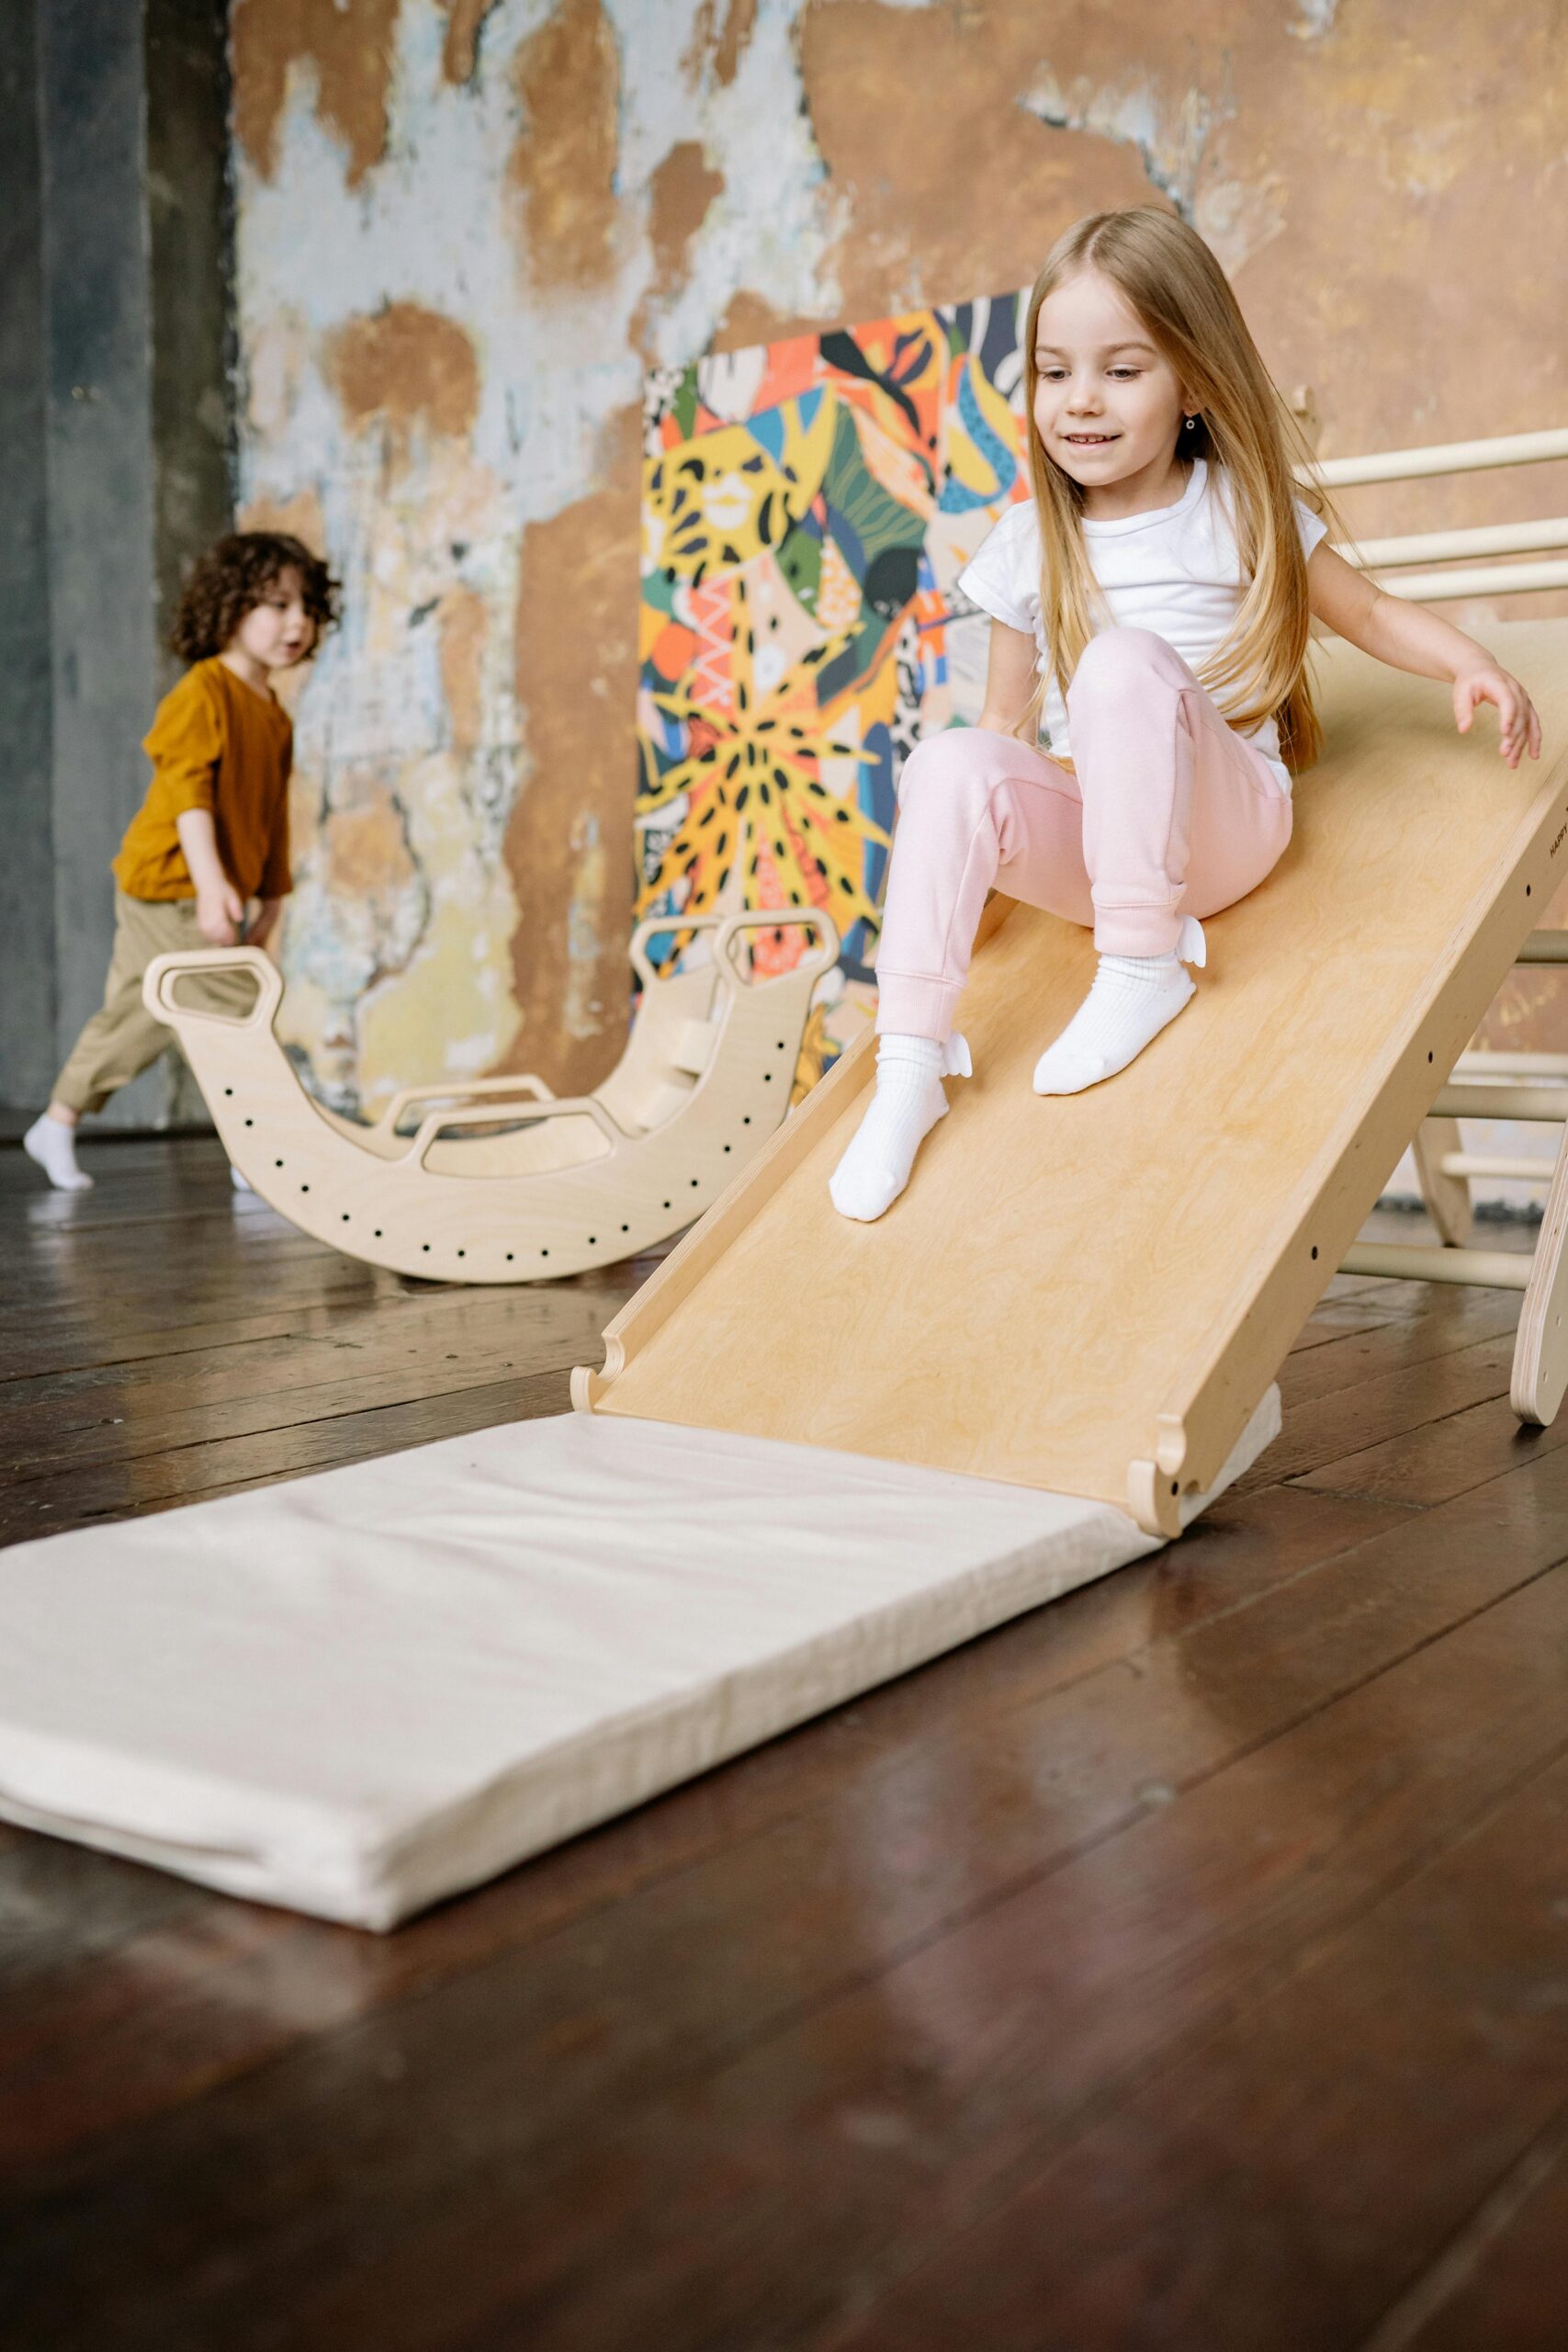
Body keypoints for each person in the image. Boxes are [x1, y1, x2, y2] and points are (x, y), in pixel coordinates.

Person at [829, 208, 1542, 1223]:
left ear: (1195, 383)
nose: (1081, 401)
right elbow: (1002, 724)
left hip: (1225, 826)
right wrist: (971, 878)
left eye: (1123, 370)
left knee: (1120, 668)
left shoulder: (1234, 507)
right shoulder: (1029, 540)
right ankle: (910, 1064)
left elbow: (1370, 610)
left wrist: (1468, 662)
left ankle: (1144, 966)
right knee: (948, 760)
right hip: (1104, 844)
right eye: (1054, 371)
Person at [24, 531, 339, 1191]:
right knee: (232, 1008)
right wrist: (211, 885)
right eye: (276, 604)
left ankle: (57, 1121)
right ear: (230, 607)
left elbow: (270, 815)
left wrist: (272, 895)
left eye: (306, 607)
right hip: (169, 882)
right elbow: (187, 794)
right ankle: (259, 1152)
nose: (296, 622)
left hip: (203, 887)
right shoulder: (204, 692)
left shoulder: (272, 714)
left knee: (142, 1011)